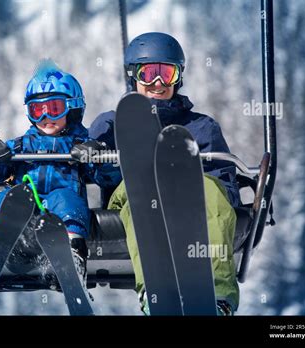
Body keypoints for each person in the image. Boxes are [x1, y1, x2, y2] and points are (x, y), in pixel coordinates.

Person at [89, 32, 240, 315]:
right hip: (132, 194)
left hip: (191, 197)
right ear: (133, 77)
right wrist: (98, 156)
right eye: (149, 74)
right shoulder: (112, 123)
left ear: (178, 78)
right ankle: (157, 293)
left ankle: (215, 296)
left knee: (210, 191)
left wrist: (216, 191)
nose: (158, 84)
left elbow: (224, 182)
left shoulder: (201, 127)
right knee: (143, 191)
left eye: (166, 74)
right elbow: (91, 171)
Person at [0, 59, 119, 283]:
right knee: (10, 197)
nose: (45, 118)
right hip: (25, 205)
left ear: (72, 108)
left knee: (66, 199)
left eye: (53, 109)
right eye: (37, 111)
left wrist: (99, 156)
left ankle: (71, 250)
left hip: (61, 206)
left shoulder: (79, 145)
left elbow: (108, 178)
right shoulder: (22, 145)